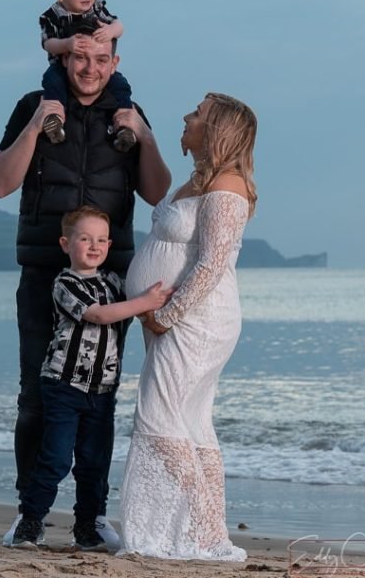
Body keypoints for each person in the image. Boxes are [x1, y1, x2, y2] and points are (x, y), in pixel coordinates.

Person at [0, 40, 171, 549]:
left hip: (112, 276)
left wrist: (146, 137)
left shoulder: (128, 114)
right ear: (63, 60)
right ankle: (30, 513)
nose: (90, 68)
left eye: (100, 59)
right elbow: (1, 184)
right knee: (36, 395)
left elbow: (156, 193)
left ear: (115, 63)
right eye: (80, 57)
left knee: (98, 396)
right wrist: (36, 123)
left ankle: (91, 518)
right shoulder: (34, 106)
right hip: (45, 272)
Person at [119, 92, 257, 560]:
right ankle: (197, 533)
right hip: (174, 317)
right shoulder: (199, 182)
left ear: (217, 128)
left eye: (197, 113)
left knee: (160, 415)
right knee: (192, 424)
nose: (187, 117)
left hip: (196, 320)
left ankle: (200, 533)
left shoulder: (228, 186)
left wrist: (165, 315)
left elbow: (212, 263)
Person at [8, 206, 172, 552]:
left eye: (101, 240)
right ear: (66, 243)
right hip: (64, 385)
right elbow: (98, 315)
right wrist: (144, 301)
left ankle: (87, 527)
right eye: (85, 239)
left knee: (94, 463)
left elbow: (132, 305)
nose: (94, 246)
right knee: (55, 458)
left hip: (102, 390)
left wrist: (153, 304)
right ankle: (30, 522)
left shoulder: (113, 282)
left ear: (110, 244)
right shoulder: (66, 283)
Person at [39, 0, 136, 152]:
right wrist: (67, 44)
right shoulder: (52, 16)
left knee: (120, 84)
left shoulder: (97, 8)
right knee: (52, 82)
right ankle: (55, 119)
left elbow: (119, 25)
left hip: (82, 65)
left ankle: (124, 125)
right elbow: (48, 44)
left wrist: (110, 31)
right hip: (62, 65)